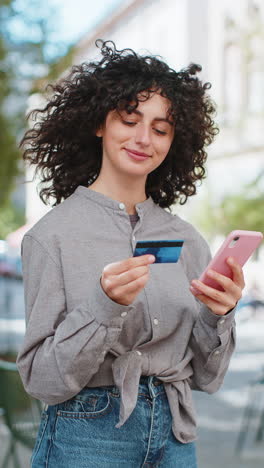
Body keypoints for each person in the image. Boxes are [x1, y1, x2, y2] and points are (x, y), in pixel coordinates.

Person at [17, 40, 245, 468]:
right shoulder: (53, 236)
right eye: (129, 120)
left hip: (176, 436)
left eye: (161, 129)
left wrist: (219, 314)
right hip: (86, 435)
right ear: (99, 124)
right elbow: (42, 381)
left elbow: (207, 377)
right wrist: (104, 308)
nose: (144, 138)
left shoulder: (188, 238)